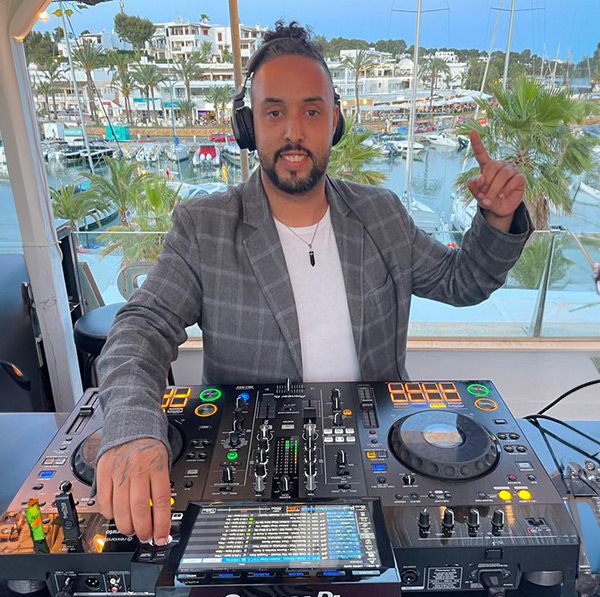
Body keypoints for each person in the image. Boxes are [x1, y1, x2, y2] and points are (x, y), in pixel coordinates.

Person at [95, 21, 532, 546]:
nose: (293, 132)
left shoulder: (382, 213)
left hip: (378, 460)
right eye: (274, 112)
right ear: (248, 125)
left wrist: (497, 220)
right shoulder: (204, 226)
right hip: (251, 473)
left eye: (311, 111)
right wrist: (132, 429)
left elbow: (462, 282)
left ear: (335, 121)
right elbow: (142, 327)